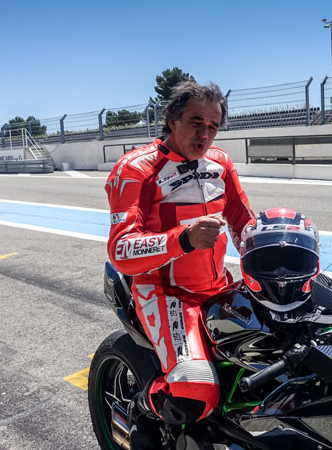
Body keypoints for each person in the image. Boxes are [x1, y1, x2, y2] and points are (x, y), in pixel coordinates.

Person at [105, 81, 255, 447]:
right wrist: (183, 239)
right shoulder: (135, 169)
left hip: (218, 286)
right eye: (196, 122)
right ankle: (143, 407)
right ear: (172, 120)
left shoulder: (221, 162)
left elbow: (243, 222)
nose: (205, 133)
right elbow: (120, 249)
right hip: (164, 292)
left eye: (213, 126)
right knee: (194, 394)